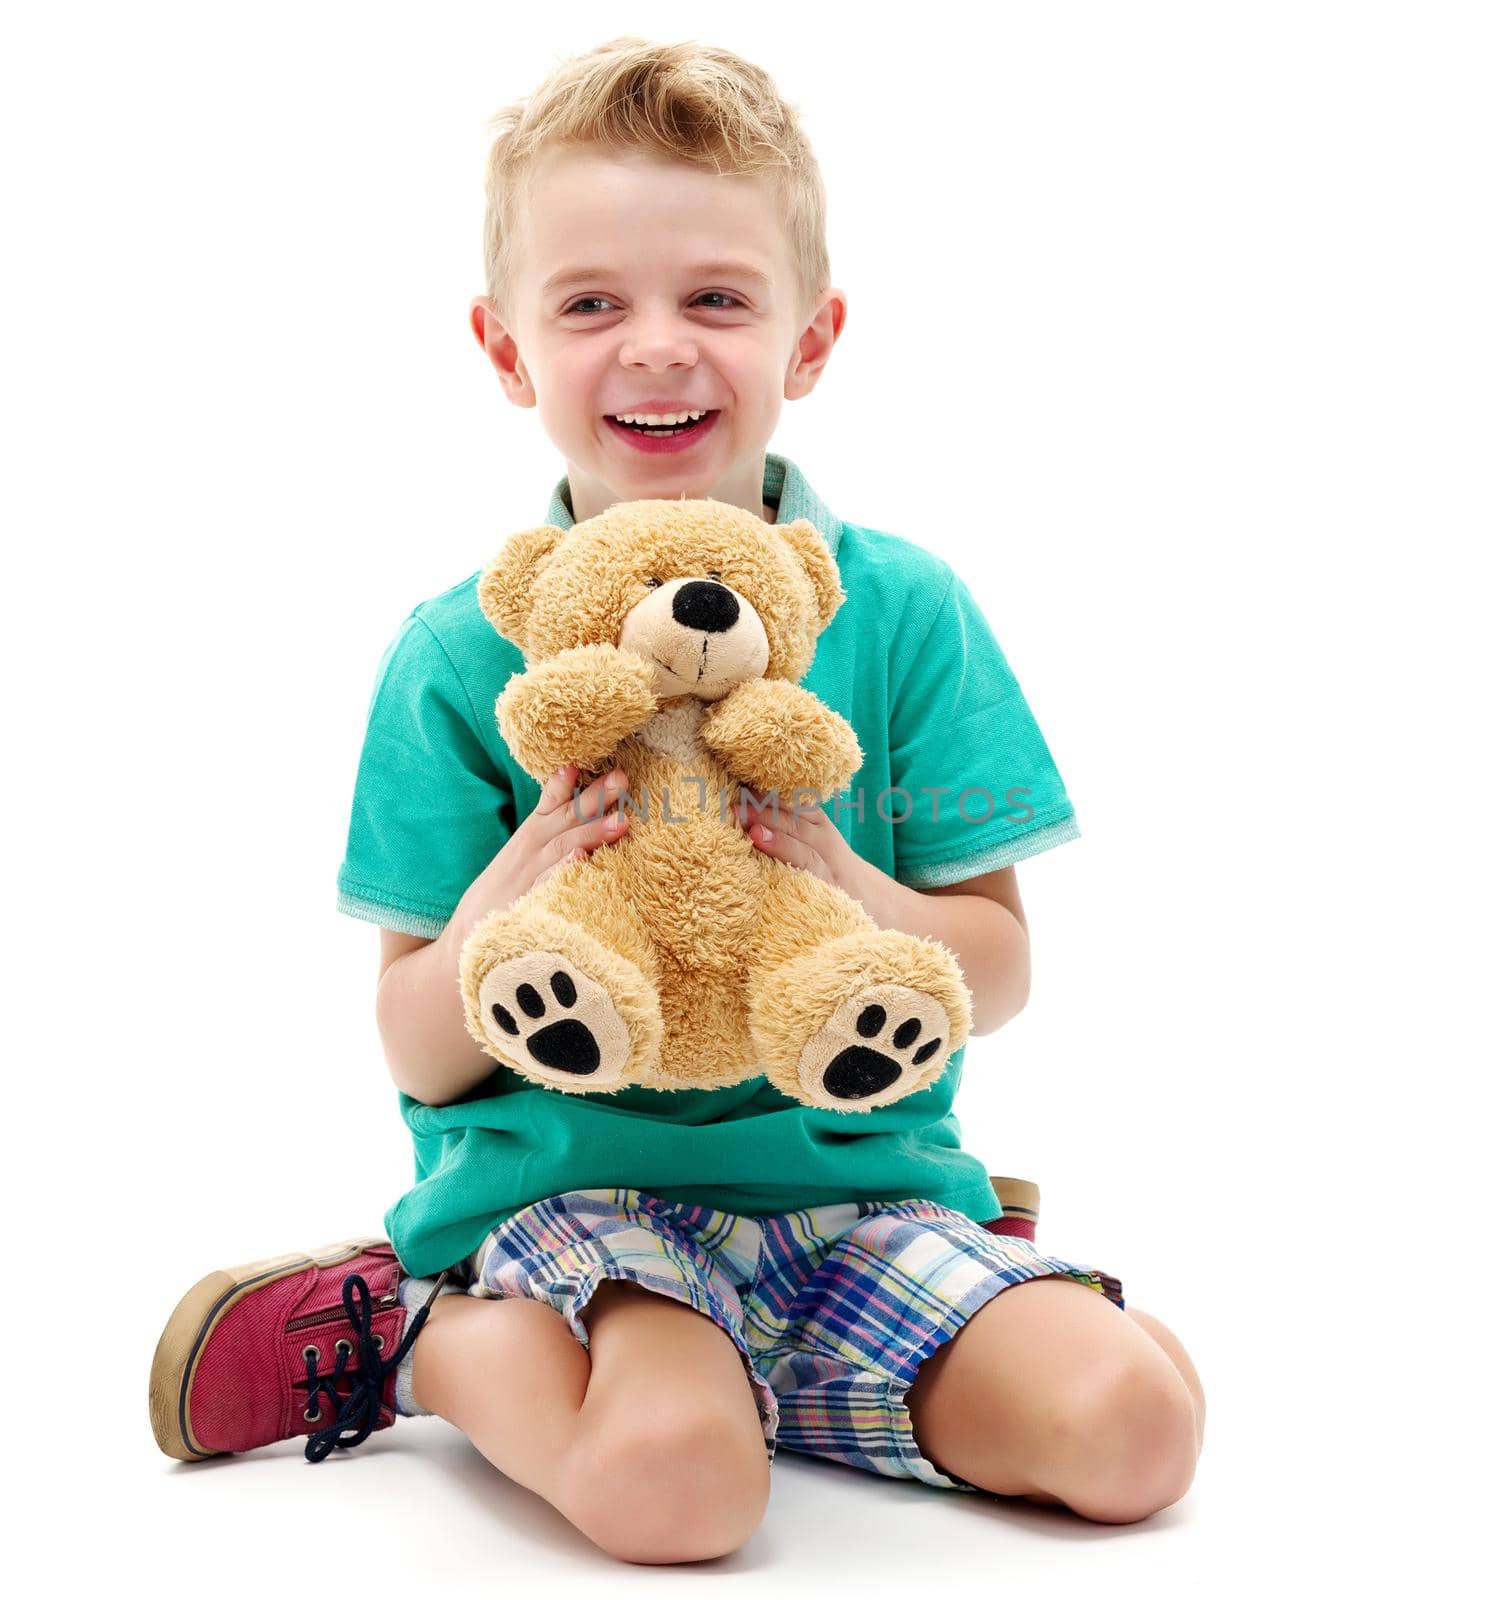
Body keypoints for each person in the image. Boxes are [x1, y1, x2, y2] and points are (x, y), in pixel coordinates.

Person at [148, 35, 1204, 1563]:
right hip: (585, 1197)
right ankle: (410, 1326)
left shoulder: (899, 611)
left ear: (812, 337)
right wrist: (523, 873)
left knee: (1138, 1436)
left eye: (716, 298)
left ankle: (901, 1318)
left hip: (861, 1194)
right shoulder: (464, 654)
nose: (657, 347)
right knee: (677, 1493)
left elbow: (1001, 971)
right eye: (590, 305)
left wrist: (852, 887)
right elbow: (419, 1051)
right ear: (507, 351)